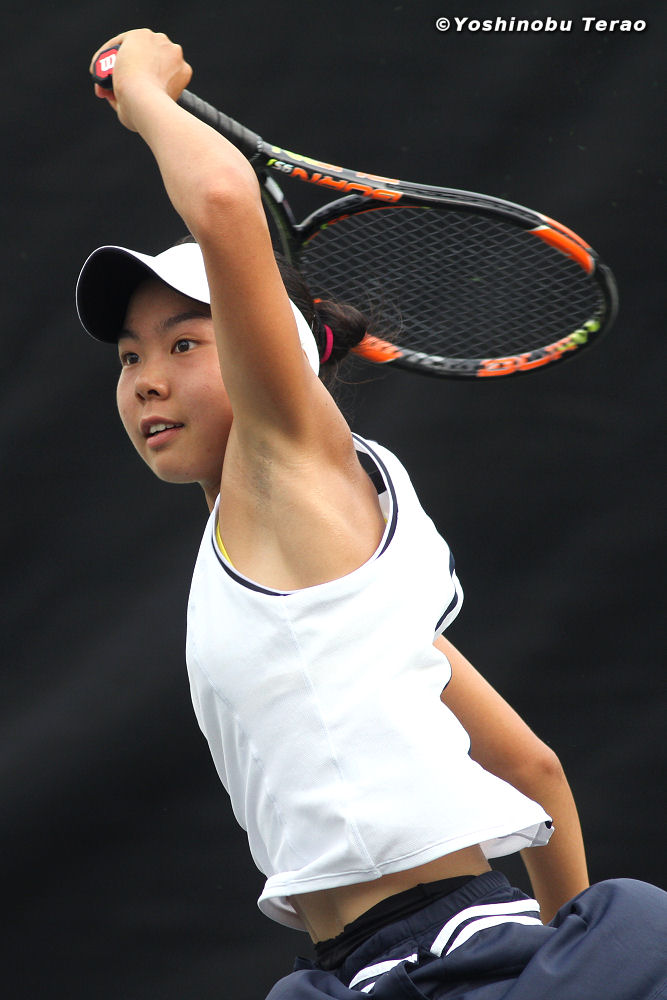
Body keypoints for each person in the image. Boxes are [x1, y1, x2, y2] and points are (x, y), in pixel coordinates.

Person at [76, 29, 667, 999]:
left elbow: (222, 200)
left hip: (447, 955)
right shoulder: (336, 602)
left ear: (273, 354)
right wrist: (558, 951)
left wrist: (143, 90)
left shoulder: (286, 458)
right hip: (353, 972)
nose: (146, 380)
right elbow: (533, 769)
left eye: (184, 343)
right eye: (129, 356)